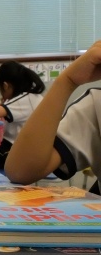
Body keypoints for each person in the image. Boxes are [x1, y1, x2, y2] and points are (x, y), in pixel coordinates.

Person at [6, 41, 101, 190]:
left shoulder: (24, 98)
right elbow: (19, 171)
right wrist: (67, 81)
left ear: (6, 86)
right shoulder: (95, 105)